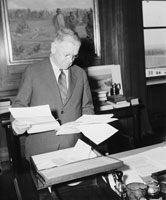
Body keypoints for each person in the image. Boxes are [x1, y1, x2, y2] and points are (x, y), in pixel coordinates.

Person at [11, 28, 94, 160]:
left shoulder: (80, 74)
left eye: (74, 56)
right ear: (53, 48)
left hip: (74, 147)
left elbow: (87, 107)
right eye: (66, 55)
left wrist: (88, 124)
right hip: (41, 150)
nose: (70, 60)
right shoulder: (33, 72)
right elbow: (19, 104)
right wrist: (16, 123)